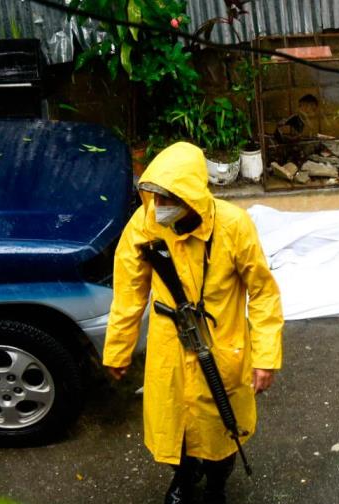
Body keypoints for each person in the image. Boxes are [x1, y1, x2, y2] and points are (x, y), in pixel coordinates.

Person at [103, 142, 283, 504]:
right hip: (170, 349)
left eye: (169, 199)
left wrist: (266, 356)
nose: (160, 207)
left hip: (220, 348)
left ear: (192, 197)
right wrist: (118, 351)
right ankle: (184, 478)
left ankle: (216, 485)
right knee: (174, 428)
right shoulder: (145, 225)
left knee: (222, 428)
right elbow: (129, 292)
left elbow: (263, 294)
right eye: (155, 197)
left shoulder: (233, 226)